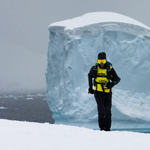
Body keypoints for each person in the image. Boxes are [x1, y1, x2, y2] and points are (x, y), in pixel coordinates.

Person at [88, 52, 121, 131]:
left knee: (108, 111)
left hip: (107, 92)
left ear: (105, 60)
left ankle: (108, 128)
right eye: (100, 61)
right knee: (101, 111)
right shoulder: (94, 68)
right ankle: (102, 129)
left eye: (103, 61)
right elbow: (89, 75)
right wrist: (90, 88)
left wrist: (112, 84)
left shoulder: (109, 68)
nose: (101, 63)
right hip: (98, 92)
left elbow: (117, 78)